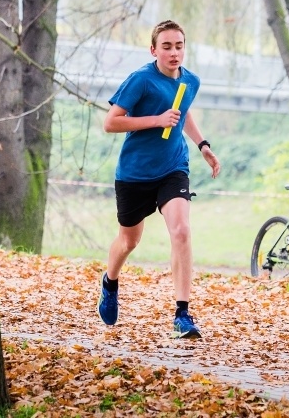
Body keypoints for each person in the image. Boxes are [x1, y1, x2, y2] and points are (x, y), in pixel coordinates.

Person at [97, 19, 220, 339]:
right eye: (166, 46)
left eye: (179, 46)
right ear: (154, 50)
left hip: (173, 167)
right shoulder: (140, 80)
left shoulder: (190, 81)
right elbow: (111, 123)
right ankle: (110, 282)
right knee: (129, 241)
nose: (173, 52)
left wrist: (203, 145)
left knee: (181, 231)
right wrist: (156, 120)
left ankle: (183, 313)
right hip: (135, 173)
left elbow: (183, 112)